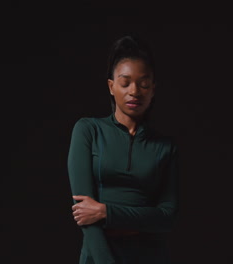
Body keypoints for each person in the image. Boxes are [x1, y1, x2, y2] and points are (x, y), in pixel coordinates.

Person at [67, 33, 180, 264]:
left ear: (153, 89)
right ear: (111, 86)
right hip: (98, 256)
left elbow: (167, 217)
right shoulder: (88, 130)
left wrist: (106, 212)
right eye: (125, 82)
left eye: (144, 83)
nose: (135, 91)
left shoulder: (166, 147)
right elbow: (85, 215)